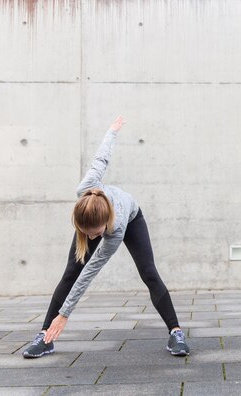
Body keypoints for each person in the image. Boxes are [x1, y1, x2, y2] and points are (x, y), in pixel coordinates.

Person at [22, 116, 189, 358]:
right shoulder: (86, 189)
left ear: (105, 225)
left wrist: (65, 313)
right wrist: (112, 132)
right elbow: (101, 159)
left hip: (132, 219)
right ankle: (45, 337)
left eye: (95, 234)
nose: (91, 238)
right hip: (99, 214)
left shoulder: (117, 228)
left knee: (149, 272)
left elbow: (90, 272)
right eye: (85, 233)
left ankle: (176, 332)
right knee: (71, 272)